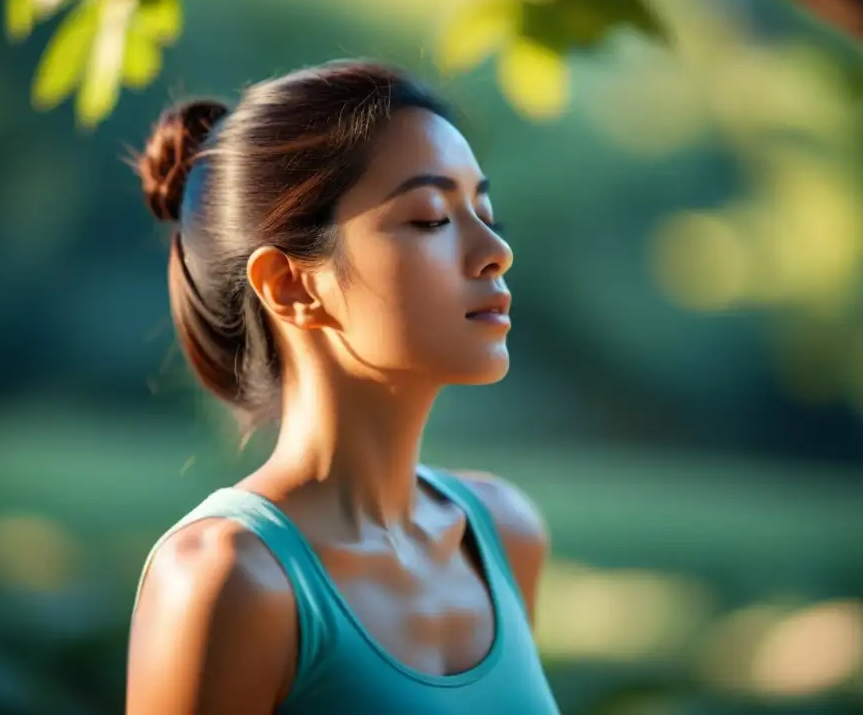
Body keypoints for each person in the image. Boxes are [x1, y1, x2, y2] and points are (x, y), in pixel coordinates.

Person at [125, 60, 559, 714]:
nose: (495, 249)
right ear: (291, 285)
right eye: (432, 219)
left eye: (485, 211)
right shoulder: (226, 580)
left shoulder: (505, 532)